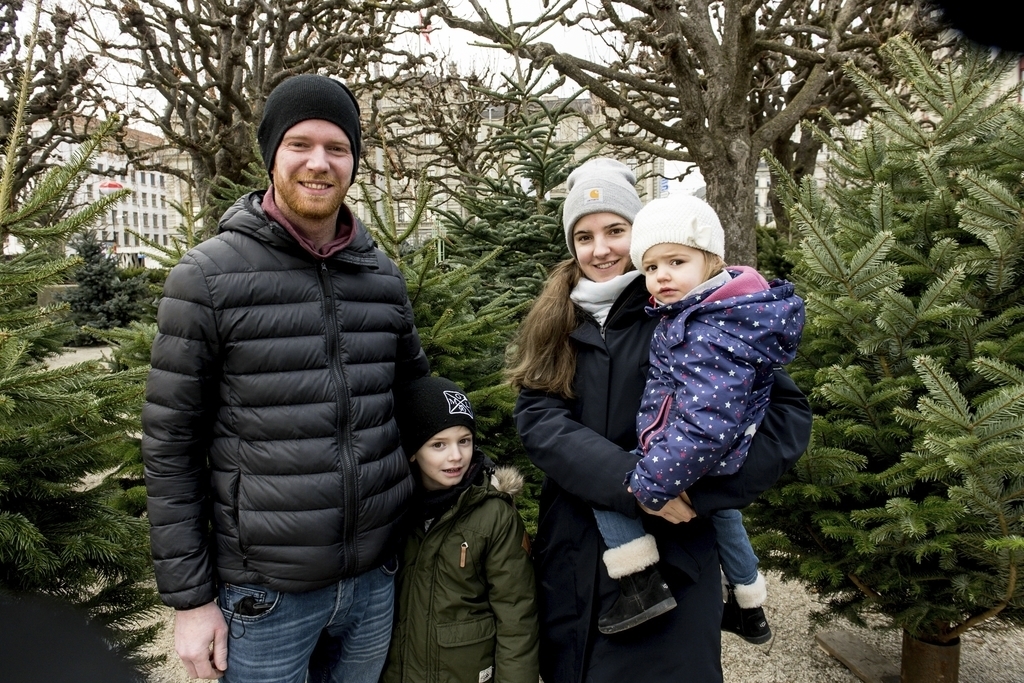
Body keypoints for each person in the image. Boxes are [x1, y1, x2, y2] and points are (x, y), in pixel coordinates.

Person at [141, 74, 429, 683]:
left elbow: (418, 398)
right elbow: (170, 449)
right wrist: (190, 602)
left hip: (373, 583)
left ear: (354, 160)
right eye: (300, 144)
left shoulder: (381, 276)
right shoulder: (208, 278)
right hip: (264, 595)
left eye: (337, 147)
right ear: (272, 153)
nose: (319, 163)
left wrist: (469, 433)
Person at [508, 157, 813, 683]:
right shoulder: (554, 321)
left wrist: (699, 494)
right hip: (575, 556)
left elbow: (784, 416)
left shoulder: (692, 317)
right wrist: (632, 485)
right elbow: (539, 421)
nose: (600, 249)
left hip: (675, 559)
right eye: (584, 236)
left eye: (616, 231)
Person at [591, 193, 804, 639]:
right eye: (650, 268)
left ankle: (640, 584)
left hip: (693, 451)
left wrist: (651, 485)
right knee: (726, 517)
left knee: (607, 487)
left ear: (711, 260)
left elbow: (707, 422)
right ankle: (750, 604)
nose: (661, 276)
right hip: (712, 451)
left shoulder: (707, 328)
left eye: (676, 261)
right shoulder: (717, 314)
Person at [381, 376, 539, 683]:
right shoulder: (394, 510)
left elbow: (516, 614)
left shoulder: (494, 514)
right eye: (438, 444)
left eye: (464, 441)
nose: (455, 456)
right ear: (413, 450)